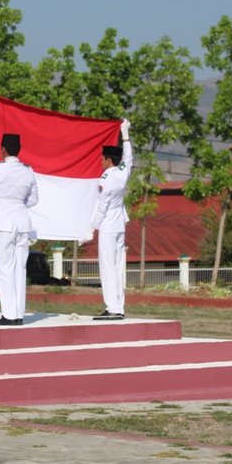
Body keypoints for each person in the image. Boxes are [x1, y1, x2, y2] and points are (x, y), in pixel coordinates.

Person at [0, 133, 39, 326]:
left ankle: (9, 315)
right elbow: (34, 199)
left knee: (5, 268)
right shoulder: (28, 170)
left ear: (3, 149)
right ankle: (18, 314)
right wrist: (17, 205)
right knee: (19, 267)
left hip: (2, 222)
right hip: (21, 221)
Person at [84, 119, 133, 321]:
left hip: (108, 227)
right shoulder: (123, 173)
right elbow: (129, 158)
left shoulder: (106, 177)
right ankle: (118, 306)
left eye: (103, 159)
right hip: (120, 225)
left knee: (108, 267)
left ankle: (112, 307)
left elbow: (102, 207)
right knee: (117, 267)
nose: (101, 162)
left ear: (109, 161)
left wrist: (91, 228)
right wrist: (125, 135)